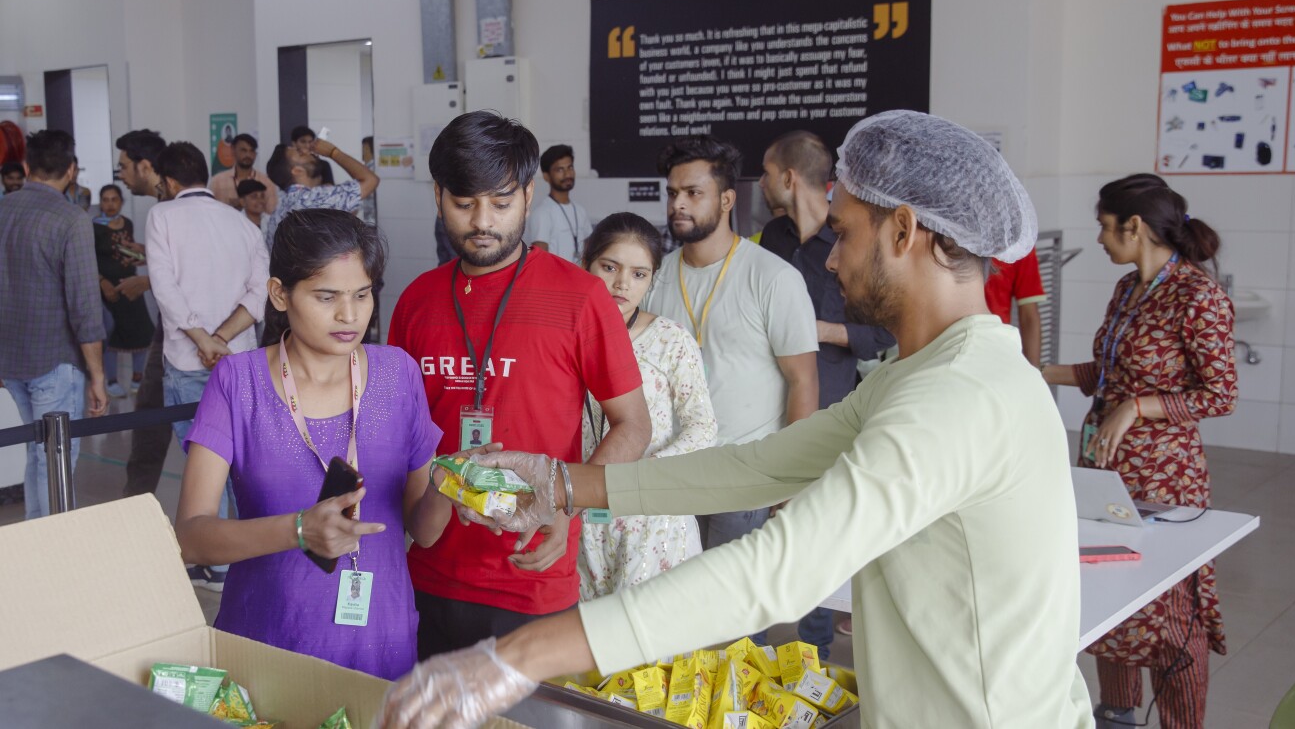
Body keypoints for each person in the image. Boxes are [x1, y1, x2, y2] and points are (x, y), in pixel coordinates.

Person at [379, 110, 1094, 729]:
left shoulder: (959, 397)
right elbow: (754, 466)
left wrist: (513, 657)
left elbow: (777, 573)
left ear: (903, 231)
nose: (834, 260)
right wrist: (564, 485)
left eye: (842, 234)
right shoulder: (927, 373)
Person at [388, 110, 650, 661]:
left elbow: (633, 424)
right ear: (438, 197)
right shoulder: (415, 302)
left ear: (529, 196)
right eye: (464, 203)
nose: (483, 221)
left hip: (532, 573)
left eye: (501, 203)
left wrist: (567, 504)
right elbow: (401, 437)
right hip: (428, 571)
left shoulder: (580, 297)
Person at [174, 209, 446, 680]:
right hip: (268, 644)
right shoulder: (239, 383)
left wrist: (452, 486)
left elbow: (424, 531)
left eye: (363, 295)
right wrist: (298, 530)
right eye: (327, 297)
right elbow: (191, 538)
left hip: (380, 645)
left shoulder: (398, 374)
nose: (350, 315)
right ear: (280, 294)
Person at [1043, 173, 1237, 729]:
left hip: (1164, 476)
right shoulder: (1128, 289)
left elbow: (1220, 393)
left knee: (1170, 614)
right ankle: (1116, 715)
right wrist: (1035, 371)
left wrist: (1138, 407)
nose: (1100, 239)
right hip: (1105, 466)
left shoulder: (1198, 296)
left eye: (1106, 228)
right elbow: (1106, 374)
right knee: (1109, 592)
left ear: (1135, 227)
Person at [645, 136, 817, 642]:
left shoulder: (773, 278)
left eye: (693, 193)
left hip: (743, 477)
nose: (678, 203)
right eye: (673, 192)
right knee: (671, 619)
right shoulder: (654, 278)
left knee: (732, 628)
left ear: (725, 200)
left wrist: (790, 480)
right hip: (670, 476)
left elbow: (802, 381)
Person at [757, 129, 896, 656]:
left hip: (833, 406)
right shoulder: (772, 239)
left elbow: (885, 333)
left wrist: (816, 330)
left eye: (768, 172)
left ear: (789, 178)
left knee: (820, 535)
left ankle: (813, 655)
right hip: (767, 404)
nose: (765, 182)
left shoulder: (853, 247)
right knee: (761, 529)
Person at [146, 141, 269, 591]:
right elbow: (259, 294)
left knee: (203, 466)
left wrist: (201, 339)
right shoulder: (240, 223)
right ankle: (240, 557)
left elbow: (165, 288)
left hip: (187, 359)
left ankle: (215, 561)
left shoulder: (161, 216)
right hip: (240, 359)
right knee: (243, 460)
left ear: (170, 181)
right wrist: (221, 340)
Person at [578, 212, 717, 600]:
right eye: (610, 267)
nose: (623, 283)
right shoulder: (564, 338)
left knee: (648, 649)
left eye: (639, 274)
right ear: (585, 262)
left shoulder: (671, 341)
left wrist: (642, 479)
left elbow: (702, 428)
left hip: (652, 519)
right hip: (581, 515)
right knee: (584, 646)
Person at [0, 130, 108, 519]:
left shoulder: (3, 209)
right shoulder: (71, 219)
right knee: (56, 459)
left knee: (36, 452)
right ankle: (53, 553)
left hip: (10, 359)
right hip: (55, 361)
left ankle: (35, 541)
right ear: (72, 170)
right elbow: (84, 305)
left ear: (27, 167)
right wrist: (97, 374)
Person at [115, 128, 174, 500]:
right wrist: (140, 254)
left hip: (181, 335)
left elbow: (190, 270)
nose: (120, 174)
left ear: (145, 165)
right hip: (170, 331)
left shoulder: (168, 208)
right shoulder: (164, 207)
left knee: (151, 426)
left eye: (123, 166)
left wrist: (145, 282)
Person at [265, 138, 379, 250]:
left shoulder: (276, 214)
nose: (306, 151)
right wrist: (333, 152)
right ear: (297, 171)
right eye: (300, 153)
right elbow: (370, 180)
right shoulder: (314, 198)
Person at [93, 183, 152, 398]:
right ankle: (111, 381)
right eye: (105, 200)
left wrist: (142, 255)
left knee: (142, 330)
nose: (110, 204)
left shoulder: (127, 223)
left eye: (114, 199)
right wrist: (102, 283)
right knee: (111, 333)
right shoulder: (93, 226)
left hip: (131, 286)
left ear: (121, 202)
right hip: (108, 290)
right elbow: (91, 259)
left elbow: (125, 251)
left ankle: (137, 379)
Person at [527, 144, 591, 262]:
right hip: (555, 280)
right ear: (546, 176)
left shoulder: (580, 211)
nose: (567, 174)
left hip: (579, 278)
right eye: (560, 170)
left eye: (570, 167)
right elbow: (541, 261)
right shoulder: (542, 213)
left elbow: (590, 252)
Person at [985, 248, 1046, 365]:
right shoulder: (945, 236)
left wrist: (1033, 372)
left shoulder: (1017, 242)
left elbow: (1029, 316)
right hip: (948, 346)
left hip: (997, 348)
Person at [208, 133, 278, 214]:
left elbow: (272, 214)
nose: (248, 155)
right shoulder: (217, 182)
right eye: (243, 150)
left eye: (251, 151)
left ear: (255, 154)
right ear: (233, 150)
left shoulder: (266, 182)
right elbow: (210, 212)